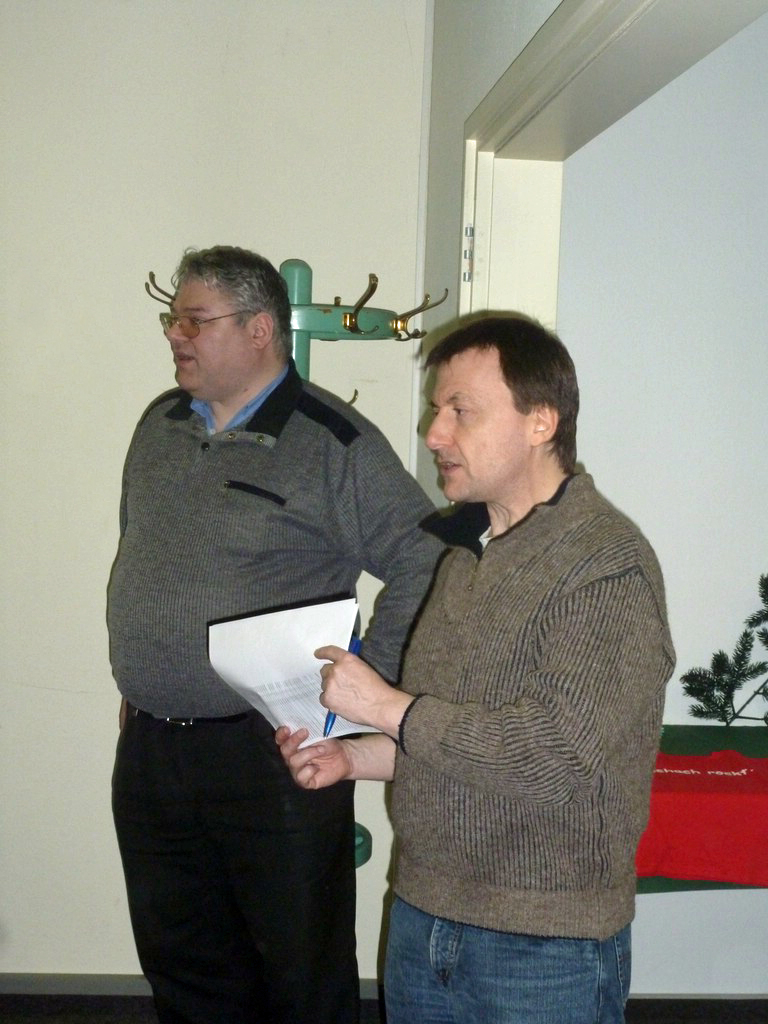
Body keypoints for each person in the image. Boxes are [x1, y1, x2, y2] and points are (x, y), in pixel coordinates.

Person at [277, 313, 676, 1024]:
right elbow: (451, 737)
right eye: (437, 410)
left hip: (545, 947)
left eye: (461, 411)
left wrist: (385, 707)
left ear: (540, 421)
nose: (434, 434)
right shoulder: (465, 553)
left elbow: (553, 757)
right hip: (423, 916)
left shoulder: (606, 565)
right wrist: (353, 758)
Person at [107, 245, 443, 1024]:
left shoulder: (331, 441)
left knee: (299, 976)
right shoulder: (158, 425)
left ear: (259, 328)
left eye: (195, 320)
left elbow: (425, 557)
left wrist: (358, 694)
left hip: (275, 753)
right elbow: (144, 554)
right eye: (173, 319)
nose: (176, 335)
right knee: (182, 969)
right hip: (153, 748)